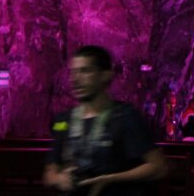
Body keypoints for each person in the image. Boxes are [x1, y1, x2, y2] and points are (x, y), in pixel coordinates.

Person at [44, 45, 167, 195]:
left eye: (85, 71)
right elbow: (50, 173)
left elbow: (158, 167)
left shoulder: (125, 116)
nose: (75, 80)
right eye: (73, 72)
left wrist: (109, 179)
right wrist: (59, 179)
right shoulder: (64, 120)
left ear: (105, 75)